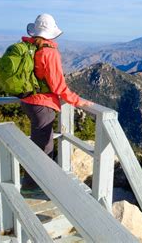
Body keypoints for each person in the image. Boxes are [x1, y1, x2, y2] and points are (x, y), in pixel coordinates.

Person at [20, 13, 92, 191]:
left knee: (39, 143)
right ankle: (35, 186)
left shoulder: (30, 47)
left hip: (27, 100)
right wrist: (77, 101)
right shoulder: (48, 52)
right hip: (41, 104)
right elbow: (58, 86)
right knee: (43, 147)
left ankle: (35, 182)